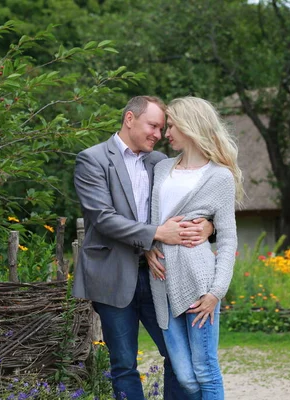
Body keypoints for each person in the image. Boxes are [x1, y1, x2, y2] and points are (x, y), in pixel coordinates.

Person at [72, 95, 214, 400]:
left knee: (178, 356)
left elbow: (192, 202)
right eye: (153, 125)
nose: (158, 134)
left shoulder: (160, 162)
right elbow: (104, 219)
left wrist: (209, 226)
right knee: (123, 365)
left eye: (162, 128)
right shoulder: (92, 160)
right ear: (129, 119)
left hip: (159, 275)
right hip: (112, 276)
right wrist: (156, 234)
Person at [146, 96, 244, 400]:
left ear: (190, 126)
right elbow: (151, 219)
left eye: (172, 125)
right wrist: (148, 245)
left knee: (205, 370)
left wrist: (216, 292)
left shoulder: (220, 176)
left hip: (200, 285)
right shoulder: (162, 168)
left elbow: (227, 237)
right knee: (185, 377)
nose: (167, 133)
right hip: (161, 281)